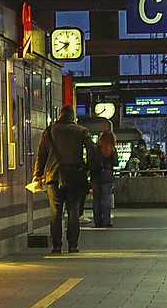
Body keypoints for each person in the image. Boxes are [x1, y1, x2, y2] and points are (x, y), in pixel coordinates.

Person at [34, 105, 100, 254]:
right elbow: (92, 150)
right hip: (75, 176)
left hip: (54, 177)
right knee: (73, 211)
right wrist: (87, 168)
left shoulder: (49, 131)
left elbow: (41, 154)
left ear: (60, 116)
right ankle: (73, 245)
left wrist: (38, 174)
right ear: (72, 117)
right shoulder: (81, 131)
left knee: (56, 212)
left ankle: (56, 245)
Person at [91, 128, 119, 228]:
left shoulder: (96, 148)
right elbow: (115, 163)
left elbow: (91, 162)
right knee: (106, 199)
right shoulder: (111, 150)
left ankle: (97, 221)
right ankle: (106, 221)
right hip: (107, 176)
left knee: (96, 200)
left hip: (96, 176)